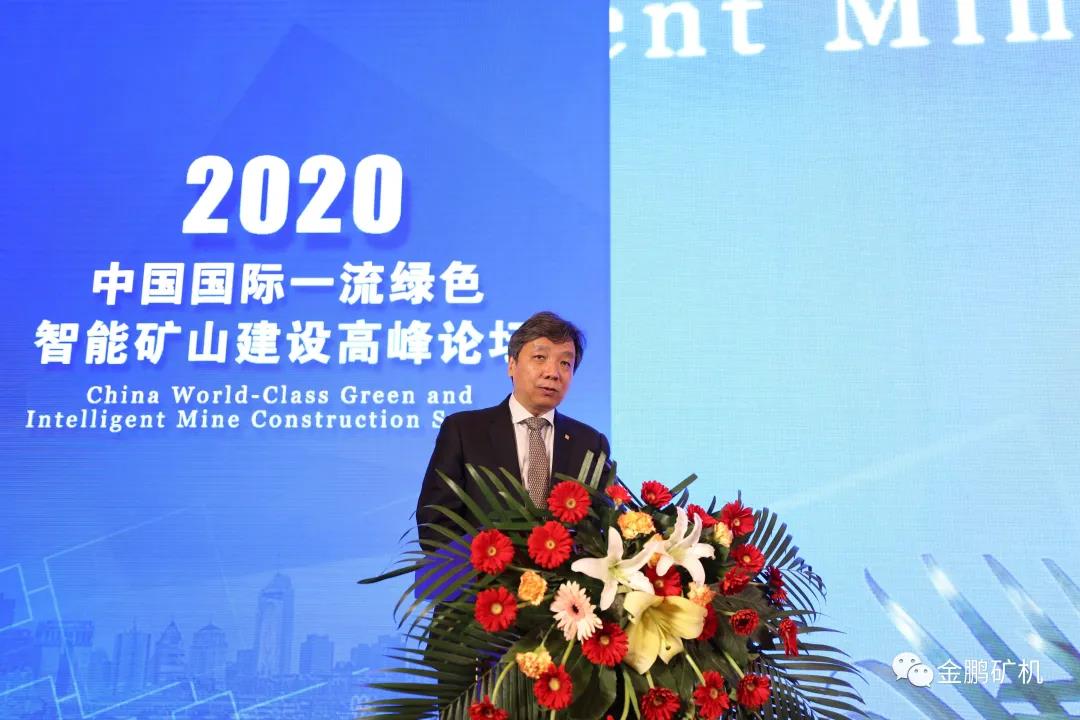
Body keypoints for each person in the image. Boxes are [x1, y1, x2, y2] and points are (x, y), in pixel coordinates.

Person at [415, 310, 611, 547]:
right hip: (482, 569)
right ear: (511, 364)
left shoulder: (590, 443)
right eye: (540, 357)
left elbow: (604, 528)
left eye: (565, 363)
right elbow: (435, 523)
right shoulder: (464, 431)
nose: (552, 373)